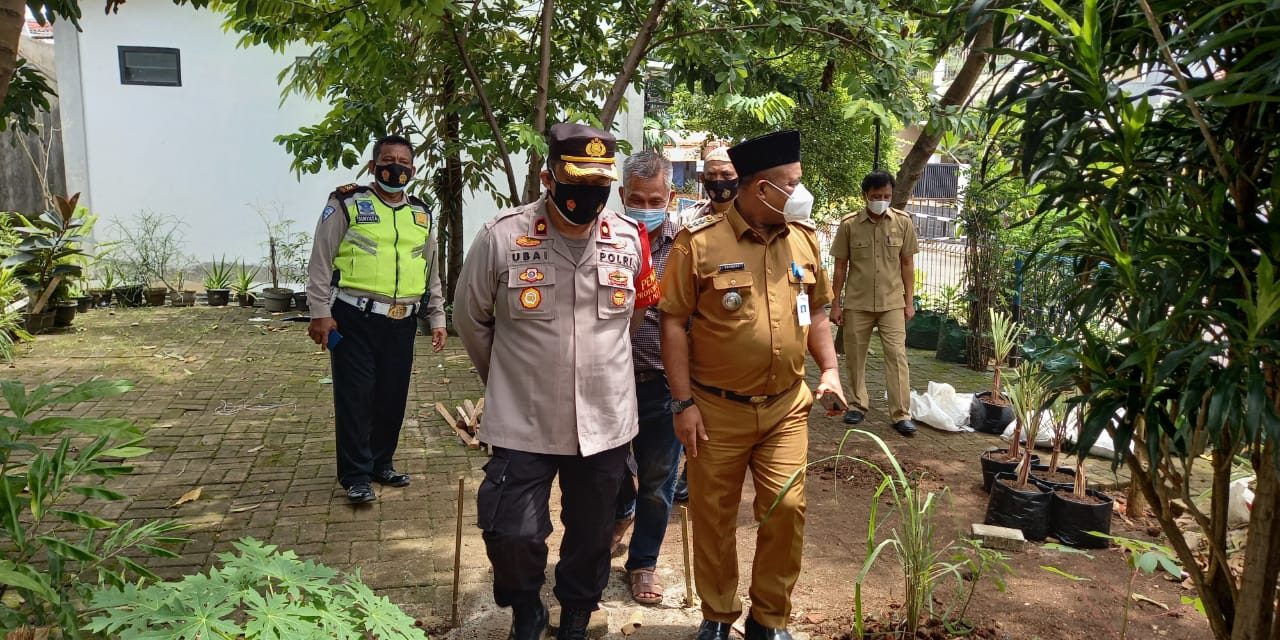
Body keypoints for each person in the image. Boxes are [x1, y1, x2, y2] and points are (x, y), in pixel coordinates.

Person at [454, 123, 661, 640]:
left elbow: (633, 317)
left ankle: (574, 614)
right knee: (511, 532)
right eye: (575, 181)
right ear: (548, 177)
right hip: (523, 418)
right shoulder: (501, 235)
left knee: (592, 536)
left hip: (606, 421)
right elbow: (469, 319)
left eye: (599, 184)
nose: (587, 195)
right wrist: (504, 377)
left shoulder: (629, 238)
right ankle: (526, 608)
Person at [659, 130, 847, 640]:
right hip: (716, 409)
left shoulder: (804, 240)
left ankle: (769, 618)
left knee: (786, 510)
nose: (799, 192)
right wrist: (682, 404)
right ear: (760, 187)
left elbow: (820, 311)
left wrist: (829, 370)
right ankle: (718, 614)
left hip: (787, 406)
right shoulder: (698, 243)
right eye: (791, 183)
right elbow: (672, 322)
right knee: (714, 516)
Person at [305, 134, 448, 504]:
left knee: (392, 397)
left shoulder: (420, 213)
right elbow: (321, 261)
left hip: (402, 322)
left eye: (403, 161)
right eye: (388, 159)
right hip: (353, 318)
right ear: (373, 166)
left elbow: (430, 267)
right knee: (356, 397)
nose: (395, 167)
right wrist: (320, 313)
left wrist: (437, 316)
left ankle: (381, 462)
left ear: (413, 171)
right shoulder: (346, 203)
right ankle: (355, 475)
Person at [610, 149, 681, 605]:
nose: (646, 207)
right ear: (621, 195)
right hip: (608, 381)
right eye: (637, 198)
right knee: (604, 471)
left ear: (670, 197)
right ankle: (618, 512)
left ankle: (643, 563)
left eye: (655, 199)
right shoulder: (605, 238)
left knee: (658, 478)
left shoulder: (690, 245)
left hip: (663, 381)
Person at [670, 142, 741, 502]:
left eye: (726, 175)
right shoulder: (688, 220)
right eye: (712, 176)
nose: (719, 182)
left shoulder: (751, 218)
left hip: (733, 328)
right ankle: (687, 472)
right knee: (693, 401)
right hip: (694, 325)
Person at [828, 171, 919, 437]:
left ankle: (901, 414)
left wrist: (909, 302)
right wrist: (836, 304)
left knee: (897, 356)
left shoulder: (902, 223)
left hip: (892, 303)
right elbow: (840, 267)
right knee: (855, 357)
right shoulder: (849, 225)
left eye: (886, 196)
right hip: (857, 302)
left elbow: (907, 264)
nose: (881, 200)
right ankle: (857, 405)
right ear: (865, 196)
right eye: (876, 196)